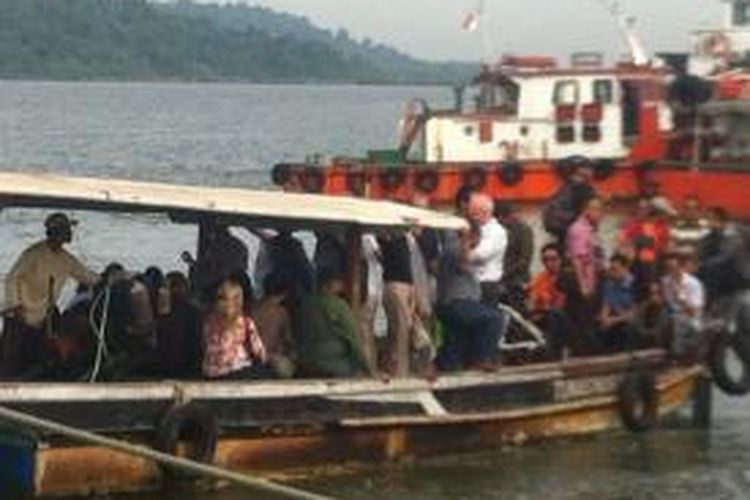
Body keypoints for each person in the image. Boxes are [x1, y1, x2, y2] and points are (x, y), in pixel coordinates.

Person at [2, 213, 99, 378]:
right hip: (20, 314)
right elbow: (12, 278)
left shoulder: (66, 259)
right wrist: (16, 305)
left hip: (43, 316)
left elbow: (87, 276)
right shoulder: (34, 253)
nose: (70, 233)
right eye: (66, 229)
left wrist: (111, 279)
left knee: (39, 358)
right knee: (10, 358)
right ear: (55, 232)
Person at [435, 227, 507, 372]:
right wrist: (466, 241)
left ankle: (450, 366)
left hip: (453, 303)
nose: (479, 243)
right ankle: (481, 358)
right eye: (478, 238)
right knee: (494, 319)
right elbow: (460, 257)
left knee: (457, 338)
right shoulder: (454, 250)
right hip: (456, 302)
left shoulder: (456, 251)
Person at [294, 269, 368, 378]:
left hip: (306, 366)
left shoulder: (305, 305)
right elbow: (353, 340)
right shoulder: (338, 306)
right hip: (335, 367)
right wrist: (369, 370)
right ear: (332, 284)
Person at [201, 275, 270, 380]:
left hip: (210, 374)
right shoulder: (245, 322)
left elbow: (205, 345)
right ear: (239, 300)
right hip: (235, 373)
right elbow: (259, 352)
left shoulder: (208, 322)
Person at [565, 196, 606, 354]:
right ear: (585, 210)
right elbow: (578, 259)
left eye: (601, 209)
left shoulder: (591, 228)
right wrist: (583, 285)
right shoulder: (579, 229)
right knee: (583, 323)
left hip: (594, 280)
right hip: (585, 284)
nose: (599, 213)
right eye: (595, 209)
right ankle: (582, 355)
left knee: (590, 322)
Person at [377, 230, 416, 377]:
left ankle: (393, 367)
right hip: (395, 283)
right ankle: (399, 371)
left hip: (405, 284)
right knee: (401, 329)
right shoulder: (385, 238)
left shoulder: (406, 239)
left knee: (400, 329)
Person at [619, 199, 670, 300]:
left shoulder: (661, 226)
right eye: (640, 209)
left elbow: (664, 246)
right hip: (636, 261)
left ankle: (651, 292)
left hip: (656, 262)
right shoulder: (633, 226)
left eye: (646, 209)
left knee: (648, 254)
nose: (643, 211)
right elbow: (624, 243)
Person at [528, 243, 573, 359]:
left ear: (561, 259)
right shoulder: (540, 278)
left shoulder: (567, 277)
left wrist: (544, 309)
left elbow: (561, 304)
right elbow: (532, 302)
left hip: (565, 316)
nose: (549, 263)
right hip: (543, 316)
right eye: (545, 260)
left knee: (556, 315)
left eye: (553, 259)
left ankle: (554, 354)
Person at [184, 221, 249, 300]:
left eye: (210, 231)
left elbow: (211, 269)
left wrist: (193, 265)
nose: (209, 236)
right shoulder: (239, 245)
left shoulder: (217, 247)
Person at [156, 271, 202, 379]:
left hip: (181, 368)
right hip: (183, 367)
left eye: (165, 288)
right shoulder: (193, 311)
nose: (161, 291)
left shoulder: (187, 313)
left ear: (175, 289)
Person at [698, 206, 750, 301]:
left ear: (717, 219)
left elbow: (724, 256)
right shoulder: (710, 235)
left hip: (741, 277)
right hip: (722, 280)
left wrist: (701, 265)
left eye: (708, 219)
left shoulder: (739, 232)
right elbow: (702, 251)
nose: (706, 222)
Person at [252, 271, 297, 379]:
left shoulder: (252, 309)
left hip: (252, 359)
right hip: (273, 359)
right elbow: (289, 339)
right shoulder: (281, 312)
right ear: (285, 293)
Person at [466, 193, 508, 307]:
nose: (469, 214)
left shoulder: (496, 231)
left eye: (473, 212)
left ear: (484, 212)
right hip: (469, 283)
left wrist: (460, 254)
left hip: (486, 287)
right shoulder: (471, 228)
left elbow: (479, 255)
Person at [662, 252, 706, 360]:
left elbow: (695, 312)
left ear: (681, 267)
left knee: (692, 328)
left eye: (673, 268)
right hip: (673, 318)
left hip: (690, 319)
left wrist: (681, 298)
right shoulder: (666, 281)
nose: (671, 271)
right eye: (668, 268)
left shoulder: (693, 283)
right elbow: (668, 303)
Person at [542, 159, 597, 241]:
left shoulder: (565, 185)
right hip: (568, 226)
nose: (593, 173)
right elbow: (587, 211)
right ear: (585, 171)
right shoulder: (583, 188)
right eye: (591, 169)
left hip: (553, 225)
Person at [495, 201, 534, 312]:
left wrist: (503, 274)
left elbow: (524, 260)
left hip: (517, 280)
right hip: (501, 281)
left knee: (518, 313)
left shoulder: (524, 230)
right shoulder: (498, 230)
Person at [598, 254, 637, 353]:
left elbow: (635, 312)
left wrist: (614, 320)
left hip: (628, 320)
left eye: (615, 269)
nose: (612, 273)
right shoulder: (609, 284)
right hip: (614, 318)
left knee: (627, 329)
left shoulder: (634, 284)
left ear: (625, 268)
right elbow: (606, 304)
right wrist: (604, 318)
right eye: (611, 269)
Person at [632, 282, 673, 350]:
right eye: (651, 294)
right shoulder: (643, 307)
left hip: (661, 340)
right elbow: (638, 322)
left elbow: (662, 328)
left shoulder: (666, 308)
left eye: (657, 293)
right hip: (643, 338)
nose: (654, 297)